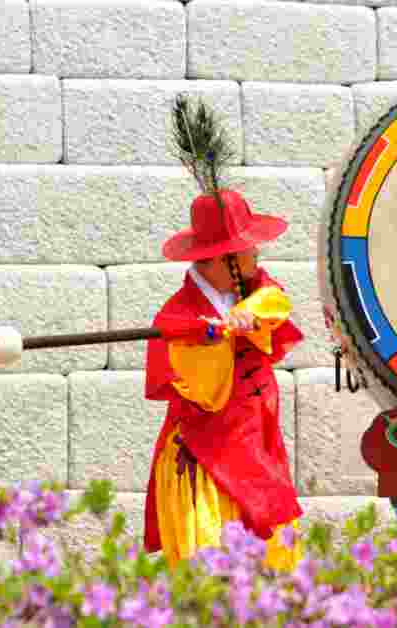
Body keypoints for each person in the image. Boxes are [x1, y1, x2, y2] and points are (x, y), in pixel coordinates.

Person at [141, 96, 305, 570]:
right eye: (247, 249)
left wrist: (247, 317)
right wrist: (213, 339)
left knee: (275, 576)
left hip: (256, 447)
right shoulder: (179, 315)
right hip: (207, 458)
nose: (256, 257)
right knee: (214, 580)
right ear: (219, 260)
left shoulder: (253, 288)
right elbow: (205, 395)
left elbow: (275, 304)